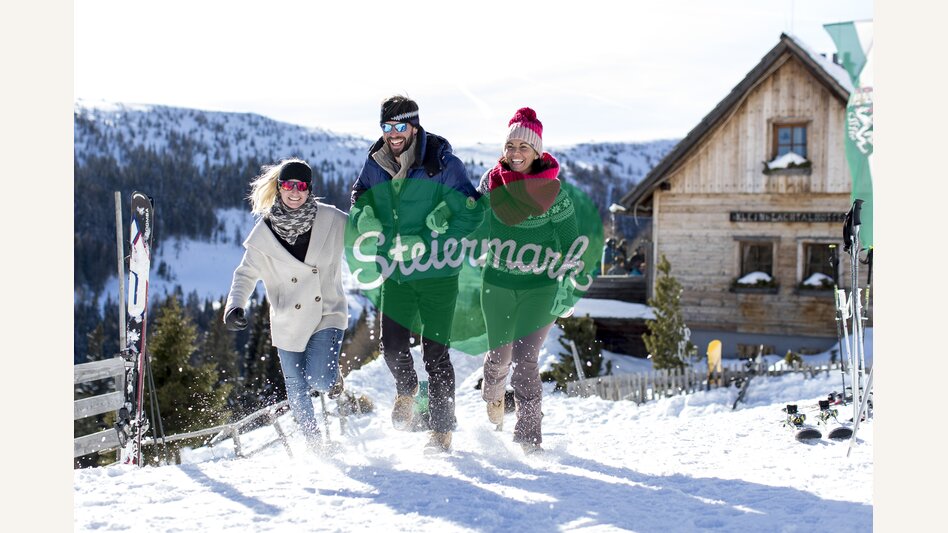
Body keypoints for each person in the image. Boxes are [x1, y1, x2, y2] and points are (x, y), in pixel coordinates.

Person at [349, 95, 484, 454]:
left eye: (399, 126)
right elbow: (360, 193)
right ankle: (407, 389)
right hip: (396, 271)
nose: (393, 134)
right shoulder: (376, 160)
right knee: (392, 346)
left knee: (435, 352)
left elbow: (472, 213)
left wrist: (436, 233)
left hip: (438, 273)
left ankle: (441, 429)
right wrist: (364, 214)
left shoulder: (441, 163)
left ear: (414, 125)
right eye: (386, 127)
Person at [224, 158, 349, 454]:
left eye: (302, 186)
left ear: (309, 189)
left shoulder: (332, 220)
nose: (295, 192)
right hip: (287, 319)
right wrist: (235, 305)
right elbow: (245, 274)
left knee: (318, 378)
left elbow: (365, 237)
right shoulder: (264, 234)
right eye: (289, 185)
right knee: (295, 387)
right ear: (280, 188)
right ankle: (314, 445)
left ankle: (331, 376)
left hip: (327, 311)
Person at [477, 107, 580, 455]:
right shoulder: (491, 184)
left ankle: (529, 438)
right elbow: (471, 221)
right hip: (497, 285)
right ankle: (493, 401)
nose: (515, 153)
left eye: (523, 147)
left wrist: (569, 285)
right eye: (510, 146)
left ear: (537, 151)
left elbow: (572, 246)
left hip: (541, 287)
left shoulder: (554, 194)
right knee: (498, 358)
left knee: (525, 360)